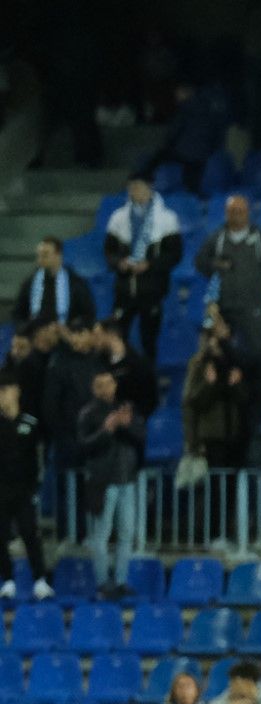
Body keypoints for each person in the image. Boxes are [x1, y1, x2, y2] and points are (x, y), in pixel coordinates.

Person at [77, 369, 145, 597]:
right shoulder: (88, 414)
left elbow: (140, 438)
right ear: (94, 388)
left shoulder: (125, 409)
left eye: (110, 383)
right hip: (103, 481)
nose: (107, 388)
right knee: (101, 535)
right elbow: (85, 447)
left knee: (127, 532)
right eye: (102, 384)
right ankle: (102, 581)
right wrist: (107, 430)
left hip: (126, 480)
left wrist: (125, 425)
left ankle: (122, 580)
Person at [103, 177, 182, 356]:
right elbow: (109, 252)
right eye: (131, 187)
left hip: (152, 290)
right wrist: (119, 263)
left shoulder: (167, 219)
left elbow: (174, 255)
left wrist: (150, 265)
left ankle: (147, 380)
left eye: (138, 187)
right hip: (124, 290)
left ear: (150, 188)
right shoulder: (118, 217)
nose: (134, 191)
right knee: (117, 339)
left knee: (149, 341)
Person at [194, 196, 261, 356]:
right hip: (223, 306)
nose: (237, 215)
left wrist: (259, 280)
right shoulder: (217, 238)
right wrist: (217, 267)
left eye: (241, 211)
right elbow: (200, 262)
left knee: (257, 351)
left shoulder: (259, 238)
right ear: (226, 213)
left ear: (248, 213)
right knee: (219, 351)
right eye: (233, 211)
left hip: (251, 306)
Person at [0, 370, 54, 601]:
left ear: (16, 391)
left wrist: (34, 486)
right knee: (1, 535)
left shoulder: (30, 423)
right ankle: (8, 580)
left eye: (5, 391)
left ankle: (40, 581)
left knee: (30, 533)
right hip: (1, 490)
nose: (2, 396)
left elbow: (38, 458)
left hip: (24, 490)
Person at [13, 238, 97, 333]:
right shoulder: (30, 283)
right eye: (39, 255)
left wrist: (68, 329)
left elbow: (88, 315)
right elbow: (18, 314)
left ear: (58, 255)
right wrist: (27, 330)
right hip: (36, 337)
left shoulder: (76, 283)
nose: (40, 259)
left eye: (45, 255)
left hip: (65, 337)